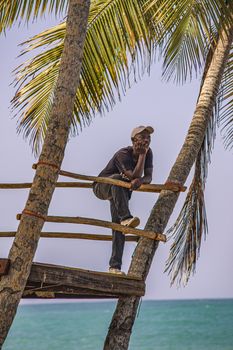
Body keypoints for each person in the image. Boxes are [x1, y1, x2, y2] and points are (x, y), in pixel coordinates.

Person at [93, 126, 154, 275]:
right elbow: (133, 176)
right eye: (143, 137)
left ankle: (114, 267)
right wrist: (141, 158)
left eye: (148, 137)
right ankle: (126, 217)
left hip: (120, 193)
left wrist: (141, 180)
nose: (146, 140)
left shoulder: (148, 153)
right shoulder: (123, 154)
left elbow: (148, 176)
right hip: (102, 186)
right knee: (117, 179)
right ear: (133, 140)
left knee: (118, 228)